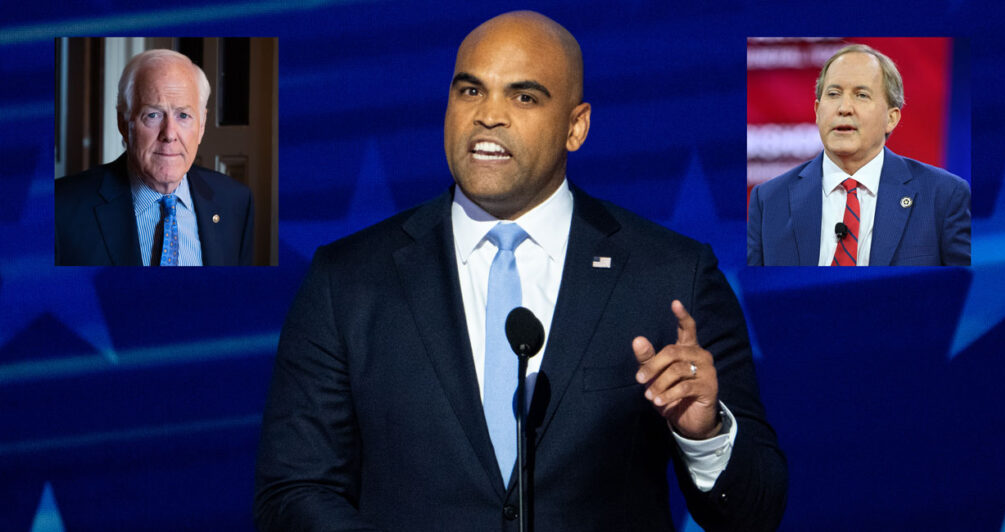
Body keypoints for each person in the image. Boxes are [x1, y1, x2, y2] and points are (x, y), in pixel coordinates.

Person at [255, 11, 786, 531]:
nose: (489, 114)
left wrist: (705, 435)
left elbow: (755, 512)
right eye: (469, 91)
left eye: (523, 96)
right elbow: (294, 493)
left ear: (575, 127)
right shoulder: (348, 279)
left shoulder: (670, 276)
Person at [747, 44, 971, 266]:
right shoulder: (768, 200)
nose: (844, 108)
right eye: (833, 94)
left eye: (861, 95)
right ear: (817, 111)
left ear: (891, 118)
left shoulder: (943, 196)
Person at [55, 49, 253, 266]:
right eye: (153, 115)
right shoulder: (61, 208)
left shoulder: (235, 202)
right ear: (123, 122)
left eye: (183, 115)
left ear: (202, 125)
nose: (169, 134)